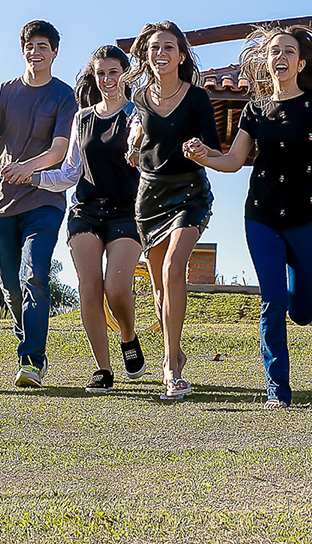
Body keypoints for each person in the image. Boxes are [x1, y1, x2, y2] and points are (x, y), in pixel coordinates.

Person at [185, 26, 312, 409]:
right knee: (272, 300)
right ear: (266, 62)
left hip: (307, 214)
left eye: (288, 52)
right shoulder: (255, 109)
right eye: (274, 52)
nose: (281, 57)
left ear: (300, 62)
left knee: (302, 313)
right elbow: (234, 161)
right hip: (262, 216)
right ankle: (278, 391)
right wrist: (204, 154)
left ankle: (310, 294)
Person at [0, 20, 78, 388]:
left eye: (43, 46)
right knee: (11, 284)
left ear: (54, 52)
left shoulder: (63, 96)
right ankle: (26, 333)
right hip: (1, 203)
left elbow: (60, 149)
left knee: (34, 275)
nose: (35, 52)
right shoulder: (2, 94)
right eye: (30, 45)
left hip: (44, 198)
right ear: (23, 51)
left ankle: (32, 360)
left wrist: (28, 168)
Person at [32, 45, 146, 393]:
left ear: (125, 74)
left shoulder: (137, 113)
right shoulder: (82, 118)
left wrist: (137, 147)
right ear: (94, 77)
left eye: (114, 72)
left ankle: (128, 335)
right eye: (101, 73)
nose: (108, 79)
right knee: (90, 287)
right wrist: (34, 177)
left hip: (127, 211)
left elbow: (142, 145)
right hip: (86, 211)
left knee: (116, 288)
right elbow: (69, 173)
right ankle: (102, 369)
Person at [125, 21, 220, 400]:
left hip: (189, 193)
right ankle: (174, 352)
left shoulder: (197, 98)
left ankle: (169, 366)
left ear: (181, 55)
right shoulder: (139, 97)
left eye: (168, 47)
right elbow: (139, 136)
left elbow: (213, 149)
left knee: (173, 267)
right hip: (149, 197)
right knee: (160, 289)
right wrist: (133, 145)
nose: (160, 53)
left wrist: (200, 149)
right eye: (154, 48)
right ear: (147, 56)